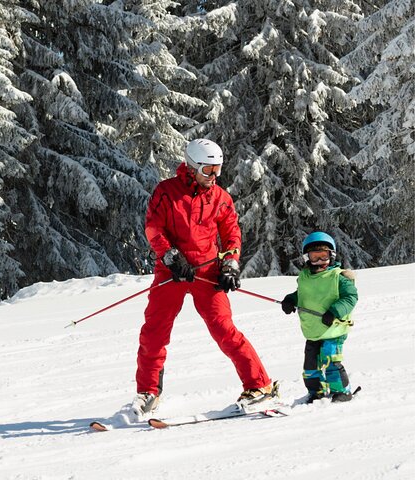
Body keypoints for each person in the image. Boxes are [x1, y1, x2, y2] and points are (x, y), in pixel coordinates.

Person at [132, 138, 274, 418]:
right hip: (172, 271)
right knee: (154, 331)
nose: (214, 176)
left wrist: (230, 264)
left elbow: (231, 231)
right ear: (192, 166)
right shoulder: (166, 192)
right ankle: (148, 392)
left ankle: (259, 386)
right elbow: (153, 228)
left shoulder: (220, 197)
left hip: (207, 271)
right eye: (209, 170)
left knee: (223, 328)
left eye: (218, 170)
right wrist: (171, 256)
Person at [281, 231, 358, 403]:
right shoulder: (305, 277)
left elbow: (351, 297)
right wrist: (290, 300)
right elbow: (303, 294)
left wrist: (334, 311)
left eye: (324, 257)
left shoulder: (338, 277)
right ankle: (317, 392)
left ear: (332, 255)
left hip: (334, 328)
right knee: (310, 365)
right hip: (313, 330)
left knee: (330, 360)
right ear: (307, 257)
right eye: (314, 257)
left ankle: (342, 391)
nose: (319, 262)